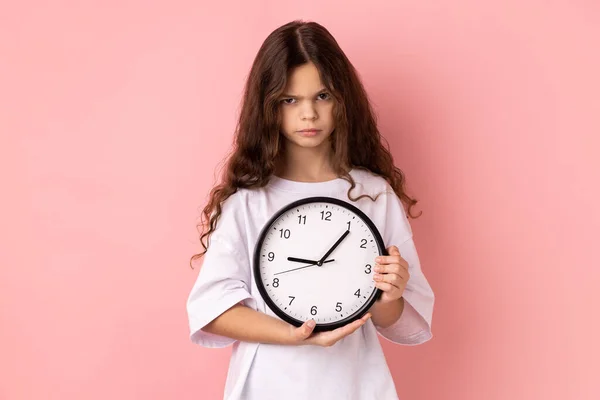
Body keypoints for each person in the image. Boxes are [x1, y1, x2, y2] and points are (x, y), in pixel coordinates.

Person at [186, 20, 435, 400]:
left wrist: (389, 295)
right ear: (268, 106)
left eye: (322, 96)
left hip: (353, 382)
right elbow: (212, 309)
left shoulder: (373, 194)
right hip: (268, 383)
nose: (308, 114)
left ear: (343, 100)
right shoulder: (250, 203)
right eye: (290, 100)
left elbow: (398, 322)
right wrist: (293, 335)